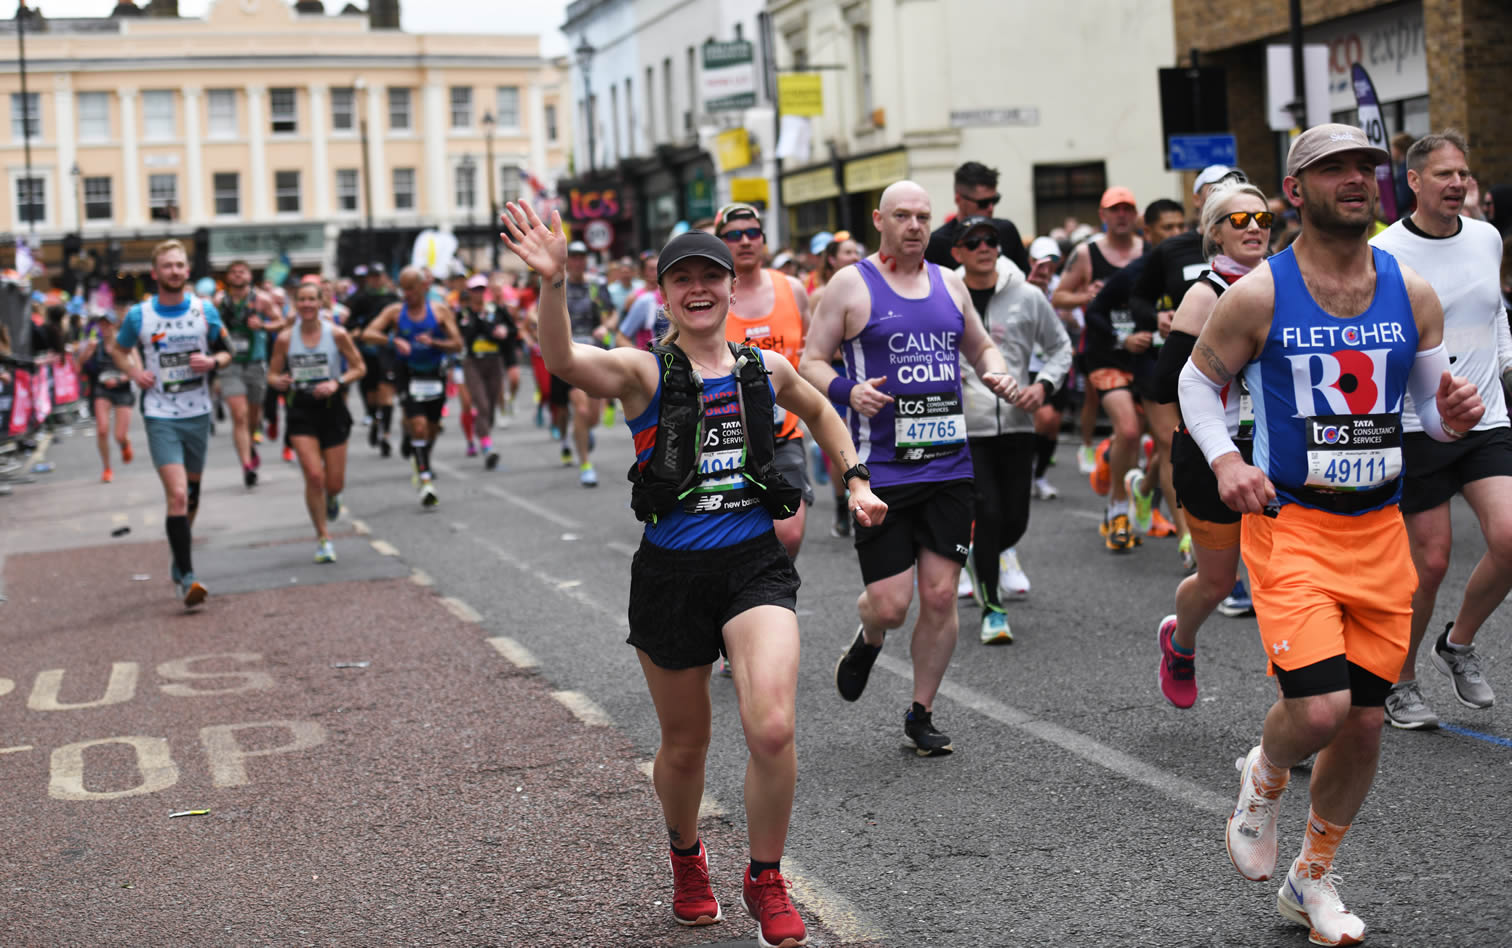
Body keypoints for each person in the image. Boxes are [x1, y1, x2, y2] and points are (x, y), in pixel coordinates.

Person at [500, 203, 883, 948]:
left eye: (714, 275)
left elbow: (822, 412)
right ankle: (687, 858)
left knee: (771, 727)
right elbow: (566, 363)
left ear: (732, 288)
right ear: (665, 293)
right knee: (684, 746)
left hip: (752, 566)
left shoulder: (761, 368)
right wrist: (553, 284)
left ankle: (766, 877)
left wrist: (857, 478)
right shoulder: (645, 370)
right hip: (672, 574)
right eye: (685, 279)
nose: (701, 288)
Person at [1181, 124, 1482, 947]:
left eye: (1366, 167)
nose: (1355, 179)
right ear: (1295, 190)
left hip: (1379, 529)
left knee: (1366, 722)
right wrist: (1223, 462)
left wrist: (1448, 417)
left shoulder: (1410, 292)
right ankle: (1265, 771)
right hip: (1293, 529)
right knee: (1317, 712)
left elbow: (1426, 409)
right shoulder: (1260, 295)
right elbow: (1198, 382)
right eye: (1333, 169)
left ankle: (1311, 879)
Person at [800, 180, 1022, 757]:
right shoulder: (851, 284)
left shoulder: (950, 283)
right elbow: (810, 362)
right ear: (880, 220)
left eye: (923, 216)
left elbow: (980, 348)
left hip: (949, 466)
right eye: (902, 215)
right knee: (892, 605)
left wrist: (996, 371)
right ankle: (869, 632)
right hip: (881, 472)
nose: (915, 226)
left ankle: (921, 712)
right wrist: (850, 391)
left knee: (943, 596)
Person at [1370, 131, 1512, 729]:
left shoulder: (1486, 237)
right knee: (1429, 564)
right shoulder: (1384, 251)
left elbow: (1494, 313)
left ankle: (1456, 643)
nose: (1458, 184)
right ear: (1415, 181)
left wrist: (1507, 368)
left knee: (1510, 539)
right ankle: (1400, 682)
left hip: (1486, 417)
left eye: (1464, 174)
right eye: (1445, 174)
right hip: (1415, 424)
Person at [1152, 180, 1273, 708]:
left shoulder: (1281, 285)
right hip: (1210, 455)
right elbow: (1163, 385)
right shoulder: (1205, 295)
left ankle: (1301, 705)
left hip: (1274, 453)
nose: (1254, 230)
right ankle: (1180, 641)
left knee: (1282, 584)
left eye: (1263, 220)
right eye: (1240, 221)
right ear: (1216, 233)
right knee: (1219, 582)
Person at [953, 217, 1071, 643]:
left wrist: (1043, 386)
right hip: (967, 428)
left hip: (1019, 423)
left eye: (991, 240)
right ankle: (993, 608)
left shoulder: (1027, 296)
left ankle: (978, 558)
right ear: (958, 252)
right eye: (974, 241)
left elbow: (1060, 348)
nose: (985, 247)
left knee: (1015, 521)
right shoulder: (946, 295)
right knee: (987, 512)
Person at [110, 239, 232, 608]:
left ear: (187, 270)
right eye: (168, 266)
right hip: (161, 413)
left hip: (198, 412)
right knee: (177, 494)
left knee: (190, 496)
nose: (175, 271)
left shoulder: (204, 310)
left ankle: (178, 559)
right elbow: (117, 349)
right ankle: (189, 579)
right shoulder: (139, 316)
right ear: (155, 272)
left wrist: (213, 363)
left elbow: (229, 351)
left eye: (180, 265)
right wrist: (134, 372)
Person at [718, 202, 816, 560]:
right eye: (733, 235)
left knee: (788, 532)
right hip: (725, 437)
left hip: (783, 436)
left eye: (753, 233)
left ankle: (773, 594)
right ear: (720, 242)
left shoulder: (793, 289)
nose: (745, 241)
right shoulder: (712, 296)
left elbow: (808, 357)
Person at [1052, 187, 1148, 551]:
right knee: (1126, 427)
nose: (1122, 216)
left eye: (1128, 209)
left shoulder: (1149, 252)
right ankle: (1118, 507)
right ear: (1103, 214)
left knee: (1156, 436)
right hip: (1105, 354)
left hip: (1144, 353)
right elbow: (1059, 296)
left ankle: (1139, 485)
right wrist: (1088, 297)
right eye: (1115, 210)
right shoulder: (1086, 253)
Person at [267, 281, 366, 563]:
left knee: (333, 483)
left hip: (332, 409)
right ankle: (323, 538)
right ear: (295, 304)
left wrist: (338, 382)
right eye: (302, 300)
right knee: (313, 476)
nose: (308, 304)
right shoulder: (286, 338)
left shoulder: (337, 334)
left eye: (313, 299)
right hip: (301, 410)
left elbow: (360, 367)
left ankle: (334, 498)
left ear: (322, 303)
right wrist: (280, 381)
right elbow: (272, 375)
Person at [360, 267, 463, 507]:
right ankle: (425, 480)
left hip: (434, 374)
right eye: (403, 289)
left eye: (411, 289)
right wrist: (392, 340)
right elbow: (368, 333)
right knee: (419, 426)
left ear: (423, 287)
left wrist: (435, 342)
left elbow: (457, 344)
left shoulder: (439, 311)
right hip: (407, 374)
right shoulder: (395, 312)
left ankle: (419, 453)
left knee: (432, 427)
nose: (406, 294)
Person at [809, 236, 866, 535]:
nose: (854, 255)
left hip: (865, 374)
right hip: (837, 373)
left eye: (856, 251)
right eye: (847, 252)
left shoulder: (868, 290)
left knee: (863, 440)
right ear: (832, 259)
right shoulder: (821, 295)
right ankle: (841, 504)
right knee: (840, 441)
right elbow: (814, 345)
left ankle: (866, 496)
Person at [216, 260, 286, 488]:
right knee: (239, 415)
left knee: (253, 416)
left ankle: (252, 443)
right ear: (228, 277)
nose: (237, 275)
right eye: (233, 272)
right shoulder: (219, 301)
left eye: (242, 271)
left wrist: (263, 326)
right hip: (230, 364)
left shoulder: (261, 300)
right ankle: (246, 466)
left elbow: (281, 322)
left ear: (249, 275)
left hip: (255, 362)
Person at [556, 241, 616, 485]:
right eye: (574, 257)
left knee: (593, 417)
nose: (578, 262)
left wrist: (605, 326)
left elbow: (612, 313)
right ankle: (585, 464)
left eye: (582, 257)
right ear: (568, 261)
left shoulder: (596, 286)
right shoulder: (559, 286)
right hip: (568, 355)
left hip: (594, 354)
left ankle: (584, 431)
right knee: (580, 409)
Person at [924, 161, 1031, 273]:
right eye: (983, 203)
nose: (991, 208)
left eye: (994, 200)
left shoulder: (1006, 231)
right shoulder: (937, 243)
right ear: (959, 199)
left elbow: (1024, 278)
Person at [458, 273, 516, 470]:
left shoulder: (496, 310)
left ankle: (483, 434)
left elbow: (512, 330)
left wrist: (505, 332)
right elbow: (468, 334)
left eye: (482, 289)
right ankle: (487, 447)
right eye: (475, 290)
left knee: (490, 405)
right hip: (473, 363)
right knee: (481, 403)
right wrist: (488, 327)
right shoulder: (464, 314)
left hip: (494, 361)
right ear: (469, 292)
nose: (478, 293)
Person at [348, 264, 401, 457]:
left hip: (386, 351)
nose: (375, 280)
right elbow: (350, 324)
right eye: (372, 276)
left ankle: (385, 435)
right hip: (366, 352)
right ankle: (374, 419)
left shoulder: (393, 299)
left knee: (386, 394)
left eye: (378, 276)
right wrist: (358, 332)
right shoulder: (358, 299)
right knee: (371, 395)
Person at [78, 309, 135, 483]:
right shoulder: (95, 345)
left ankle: (124, 444)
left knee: (119, 435)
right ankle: (107, 468)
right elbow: (77, 367)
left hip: (122, 389)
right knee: (102, 430)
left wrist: (121, 378)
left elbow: (135, 369)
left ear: (115, 324)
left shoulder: (125, 344)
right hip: (102, 389)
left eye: (108, 324)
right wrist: (87, 351)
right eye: (102, 324)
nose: (105, 327)